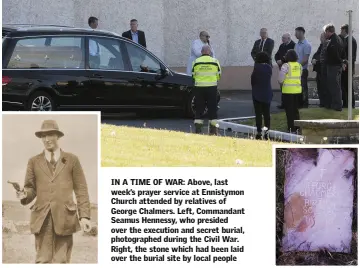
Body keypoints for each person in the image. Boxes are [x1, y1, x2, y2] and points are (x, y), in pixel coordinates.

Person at [14, 120, 91, 263]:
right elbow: (31, 189)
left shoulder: (72, 160)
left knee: (61, 261)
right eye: (43, 136)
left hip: (65, 219)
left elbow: (81, 189)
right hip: (42, 219)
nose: (47, 139)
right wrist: (24, 194)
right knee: (42, 260)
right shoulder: (33, 162)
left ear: (58, 136)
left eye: (50, 135)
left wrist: (84, 216)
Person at [192, 45, 221, 135]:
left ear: (201, 52)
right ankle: (213, 131)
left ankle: (198, 130)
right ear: (209, 52)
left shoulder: (196, 62)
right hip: (212, 88)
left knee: (199, 108)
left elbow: (193, 75)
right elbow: (218, 75)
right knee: (212, 108)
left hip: (199, 88)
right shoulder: (215, 62)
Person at [278, 49, 302, 133]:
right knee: (296, 110)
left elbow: (281, 79)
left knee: (289, 111)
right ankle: (298, 128)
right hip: (297, 91)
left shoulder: (286, 65)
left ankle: (291, 128)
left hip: (288, 91)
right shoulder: (299, 65)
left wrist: (282, 83)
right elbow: (300, 75)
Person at [251, 51, 273, 140]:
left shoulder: (257, 67)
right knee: (267, 114)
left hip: (257, 92)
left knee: (258, 113)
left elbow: (253, 80)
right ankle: (267, 132)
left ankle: (259, 132)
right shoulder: (269, 68)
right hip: (267, 92)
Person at [323, 23, 345, 111]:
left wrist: (340, 62)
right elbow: (343, 53)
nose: (324, 34)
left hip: (334, 66)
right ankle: (336, 104)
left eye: (325, 32)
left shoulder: (334, 41)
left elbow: (334, 54)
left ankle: (337, 105)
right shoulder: (338, 38)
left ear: (328, 31)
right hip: (336, 65)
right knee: (336, 86)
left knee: (334, 86)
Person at [274, 33, 296, 109]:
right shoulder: (282, 45)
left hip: (289, 69)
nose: (282, 39)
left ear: (289, 38)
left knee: (288, 87)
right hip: (282, 67)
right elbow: (276, 54)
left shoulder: (293, 45)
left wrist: (282, 61)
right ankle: (283, 103)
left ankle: (289, 104)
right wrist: (277, 60)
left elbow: (291, 57)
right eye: (282, 38)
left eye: (284, 38)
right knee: (282, 86)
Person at [340, 24, 357, 108]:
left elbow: (352, 56)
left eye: (341, 30)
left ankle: (351, 104)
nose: (340, 32)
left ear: (345, 30)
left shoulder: (351, 40)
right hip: (345, 67)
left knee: (348, 86)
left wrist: (345, 62)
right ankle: (346, 103)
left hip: (348, 67)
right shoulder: (346, 40)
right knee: (344, 86)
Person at [294, 27, 312, 108]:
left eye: (296, 32)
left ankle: (305, 104)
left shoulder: (306, 44)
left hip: (302, 70)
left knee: (303, 87)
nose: (295, 34)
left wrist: (295, 66)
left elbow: (305, 60)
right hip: (296, 69)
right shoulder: (296, 44)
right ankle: (298, 103)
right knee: (297, 88)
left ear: (301, 32)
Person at [311, 32, 327, 107]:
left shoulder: (326, 46)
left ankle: (325, 103)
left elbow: (324, 57)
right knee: (319, 87)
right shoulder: (321, 46)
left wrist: (316, 60)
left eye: (322, 37)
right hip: (319, 70)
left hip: (324, 70)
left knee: (324, 88)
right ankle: (322, 103)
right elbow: (316, 54)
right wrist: (313, 59)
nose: (320, 39)